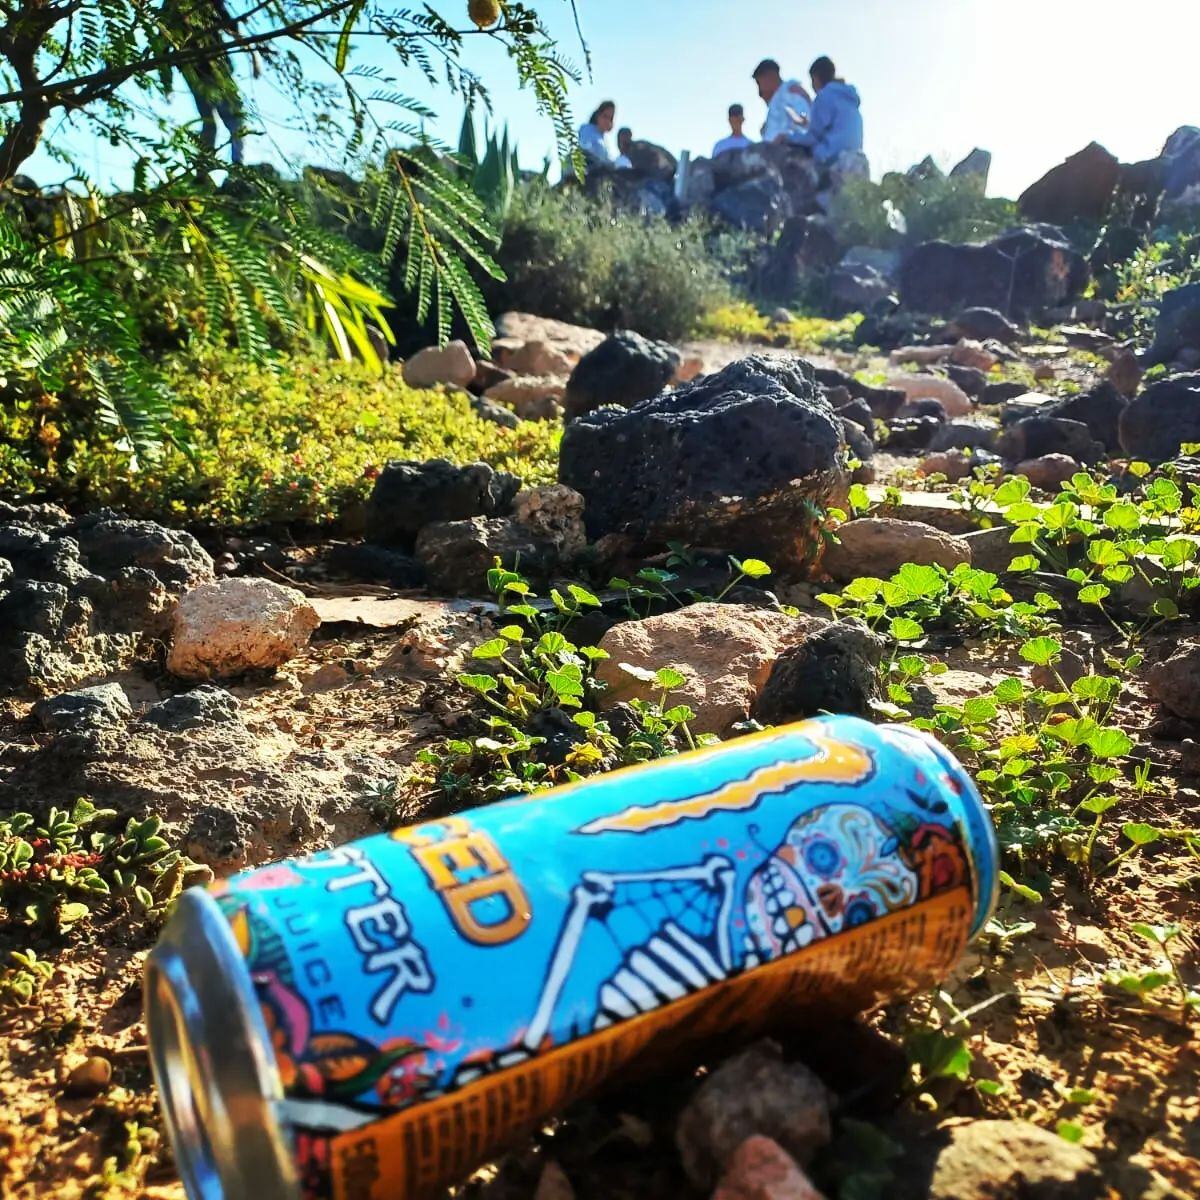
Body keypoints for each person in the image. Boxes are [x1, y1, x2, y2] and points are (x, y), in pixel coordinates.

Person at [792, 55, 864, 165]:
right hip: (855, 158)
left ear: (816, 77)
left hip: (832, 159)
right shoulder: (847, 97)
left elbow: (813, 137)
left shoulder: (825, 96)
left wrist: (787, 137)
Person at [751, 59, 811, 145]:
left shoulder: (791, 92)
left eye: (759, 83)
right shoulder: (779, 99)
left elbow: (804, 123)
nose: (760, 92)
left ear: (770, 76)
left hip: (791, 153)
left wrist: (786, 138)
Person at [578, 101, 618, 167]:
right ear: (598, 116)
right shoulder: (587, 129)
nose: (607, 121)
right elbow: (586, 148)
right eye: (605, 116)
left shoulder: (604, 140)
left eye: (610, 118)